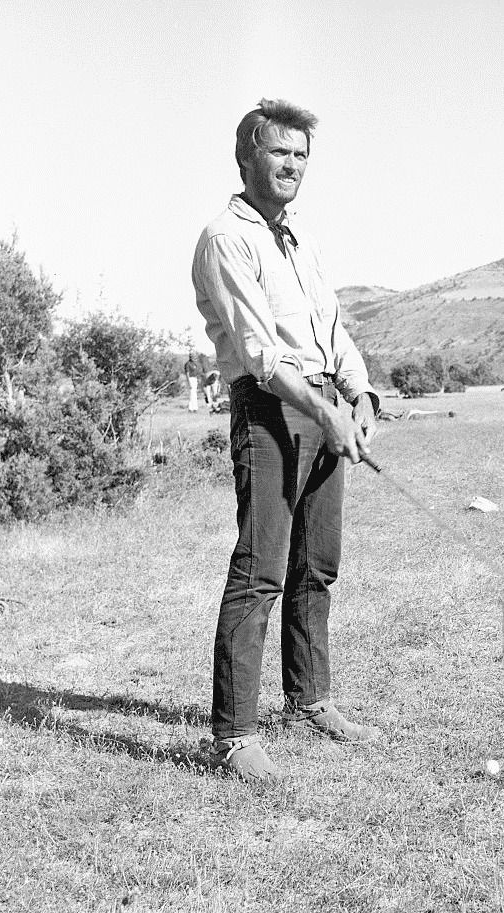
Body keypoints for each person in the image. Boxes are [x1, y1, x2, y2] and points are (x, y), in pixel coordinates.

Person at [192, 98, 380, 783]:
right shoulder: (225, 237)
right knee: (260, 570)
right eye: (279, 152)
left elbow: (331, 328)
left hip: (325, 403)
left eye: (301, 155)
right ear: (246, 156)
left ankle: (309, 698)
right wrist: (321, 409)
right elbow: (261, 355)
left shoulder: (298, 237)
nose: (292, 165)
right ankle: (233, 737)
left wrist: (357, 396)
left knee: (316, 565)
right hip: (271, 408)